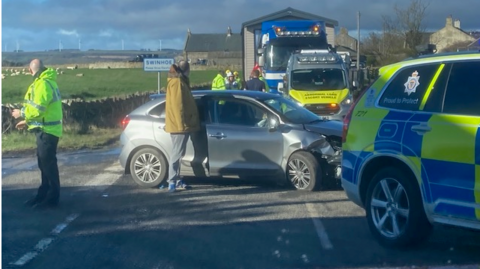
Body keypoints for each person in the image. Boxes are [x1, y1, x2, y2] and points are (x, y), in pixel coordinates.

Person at [11, 59, 63, 209]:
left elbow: (38, 109)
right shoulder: (47, 82)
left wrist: (20, 113)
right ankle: (44, 195)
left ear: (30, 70)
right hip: (46, 129)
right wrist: (27, 122)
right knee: (44, 164)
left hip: (47, 131)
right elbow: (44, 111)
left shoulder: (42, 84)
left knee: (48, 166)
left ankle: (51, 199)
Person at [165, 60, 200, 192]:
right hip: (179, 126)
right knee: (176, 153)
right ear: (186, 70)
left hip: (182, 125)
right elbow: (177, 106)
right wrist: (181, 125)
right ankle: (172, 180)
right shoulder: (177, 83)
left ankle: (177, 179)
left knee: (179, 153)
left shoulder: (180, 82)